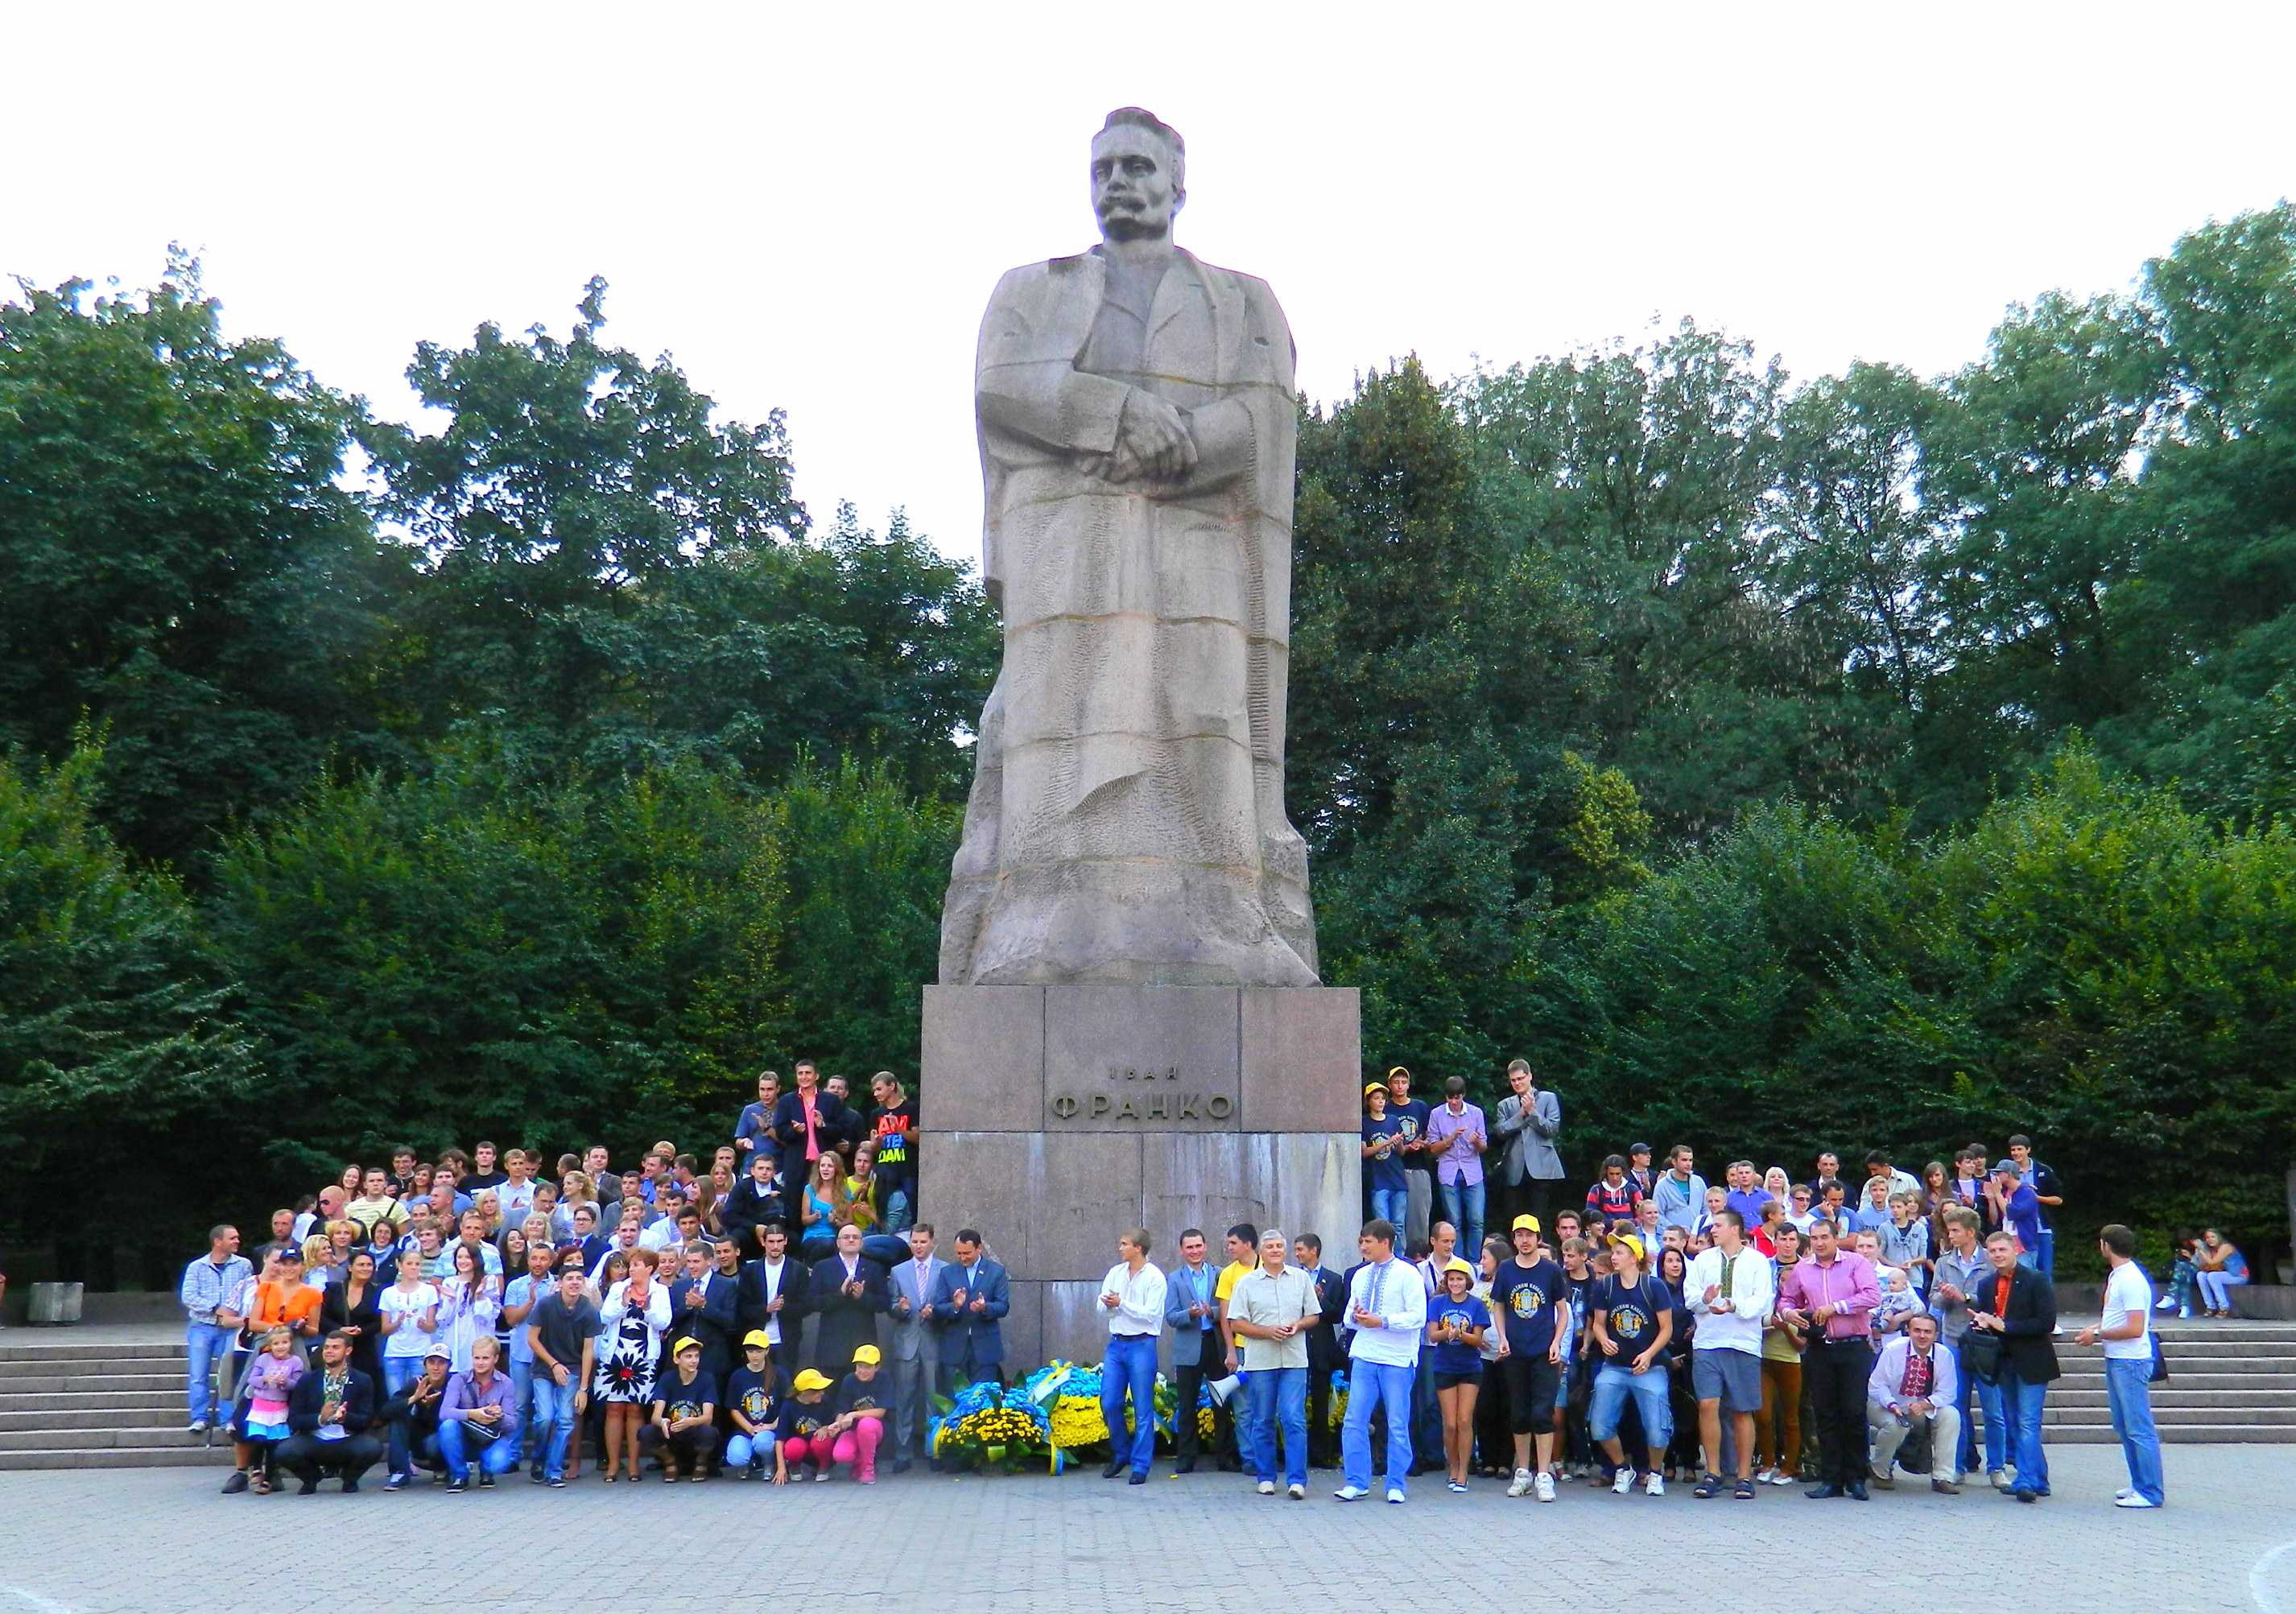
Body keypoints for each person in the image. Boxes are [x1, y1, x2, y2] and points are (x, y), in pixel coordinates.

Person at [1777, 1218, 1880, 1500]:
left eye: (1825, 1237)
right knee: (1825, 1413)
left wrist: (1836, 1307)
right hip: (1820, 1348)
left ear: (1836, 1238)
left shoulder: (1855, 1263)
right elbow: (1786, 1299)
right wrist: (1789, 1313)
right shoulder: (1803, 1268)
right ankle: (1831, 1478)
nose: (1819, 1243)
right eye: (1814, 1238)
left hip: (1853, 1346)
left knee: (1853, 1412)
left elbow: (1872, 1296)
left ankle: (1856, 1478)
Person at [1685, 1207, 1774, 1500]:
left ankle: (1743, 1476)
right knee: (1707, 1405)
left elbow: (1763, 1301)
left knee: (1742, 1410)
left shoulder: (1757, 1260)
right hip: (1708, 1342)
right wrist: (1705, 1299)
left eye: (1718, 1225)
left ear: (1735, 1229)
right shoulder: (1702, 1260)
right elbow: (1690, 1297)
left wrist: (1735, 1306)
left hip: (1743, 1343)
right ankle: (1713, 1472)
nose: (1713, 1230)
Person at [1336, 1219, 1423, 1504]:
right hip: (1364, 1354)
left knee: (1397, 1422)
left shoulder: (1408, 1274)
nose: (1363, 1247)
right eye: (1361, 1241)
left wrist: (1382, 1321)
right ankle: (1356, 1481)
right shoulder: (1360, 1275)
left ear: (1385, 1242)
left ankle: (1396, 1483)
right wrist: (1358, 1317)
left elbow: (1418, 1317)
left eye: (1368, 1242)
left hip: (1397, 1359)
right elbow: (1348, 1316)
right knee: (1354, 1420)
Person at [1969, 1228, 2060, 1502]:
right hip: (2004, 1361)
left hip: (2033, 1361)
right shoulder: (1986, 1285)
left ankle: (2026, 1480)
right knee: (2015, 1421)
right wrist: (1983, 1324)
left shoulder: (2036, 1280)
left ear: (2015, 1251)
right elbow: (1992, 1322)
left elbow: (2046, 1322)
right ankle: (2039, 1479)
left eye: (2002, 1250)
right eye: (1993, 1251)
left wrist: (2006, 1326)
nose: (1998, 1255)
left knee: (2028, 1422)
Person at [2081, 1223, 2166, 1509]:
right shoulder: (2119, 1275)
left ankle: (2150, 1491)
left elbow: (2135, 1328)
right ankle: (2139, 1483)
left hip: (2130, 1361)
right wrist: (2098, 1328)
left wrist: (2097, 1333)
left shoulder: (2130, 1279)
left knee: (2138, 1426)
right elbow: (2119, 1319)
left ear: (2106, 1246)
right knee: (2124, 1424)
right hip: (2118, 1358)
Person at [1229, 1228, 1319, 1499]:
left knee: (1294, 1418)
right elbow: (1236, 1323)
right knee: (1262, 1420)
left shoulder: (1301, 1279)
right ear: (1261, 1251)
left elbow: (1314, 1315)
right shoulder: (1247, 1283)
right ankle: (1266, 1477)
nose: (1276, 1251)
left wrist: (1298, 1325)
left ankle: (1297, 1481)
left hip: (1294, 1359)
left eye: (1280, 1246)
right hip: (1261, 1361)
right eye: (1270, 1247)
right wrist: (1267, 1332)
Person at [1585, 1233, 1673, 1497]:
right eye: (1614, 1252)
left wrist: (1649, 1354)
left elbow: (1666, 1329)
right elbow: (1598, 1323)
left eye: (1620, 1252)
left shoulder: (1654, 1286)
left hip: (1650, 1367)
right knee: (1599, 1425)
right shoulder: (1605, 1286)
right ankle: (1622, 1468)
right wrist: (1603, 1340)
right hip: (1614, 1366)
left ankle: (1655, 1472)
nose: (1613, 1257)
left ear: (1635, 1258)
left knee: (1657, 1429)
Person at [1489, 1214, 1567, 1501]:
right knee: (1519, 1413)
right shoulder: (1506, 1269)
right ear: (1514, 1239)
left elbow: (1562, 1310)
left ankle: (1544, 1474)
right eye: (1519, 1235)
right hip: (1515, 1351)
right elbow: (1499, 1305)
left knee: (1542, 1413)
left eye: (1529, 1235)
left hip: (1543, 1351)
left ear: (1538, 1238)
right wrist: (1502, 1337)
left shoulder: (1550, 1270)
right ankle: (1523, 1472)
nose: (1524, 1240)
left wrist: (1557, 1342)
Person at [1096, 1228, 1167, 1485]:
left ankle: (1141, 1464)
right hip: (1116, 1344)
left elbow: (1151, 1314)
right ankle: (1121, 1452)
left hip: (1142, 1344)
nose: (1120, 1248)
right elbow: (1100, 1306)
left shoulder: (1155, 1277)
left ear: (1138, 1248)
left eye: (1124, 1244)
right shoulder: (1115, 1273)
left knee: (1143, 1407)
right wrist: (1110, 1306)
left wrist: (1121, 1304)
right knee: (1109, 1402)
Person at [594, 1246, 672, 1482]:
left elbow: (664, 1322)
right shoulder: (618, 1288)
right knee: (614, 1408)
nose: (631, 1269)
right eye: (631, 1265)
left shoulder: (660, 1291)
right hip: (615, 1355)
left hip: (642, 1357)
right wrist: (623, 1303)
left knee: (636, 1409)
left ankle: (633, 1464)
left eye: (636, 1265)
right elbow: (604, 1316)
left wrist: (647, 1309)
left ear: (649, 1268)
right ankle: (613, 1464)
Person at [276, 1330, 383, 1492]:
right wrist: (321, 1418)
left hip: (347, 1439)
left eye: (335, 1347)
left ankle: (350, 1478)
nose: (329, 1351)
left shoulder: (362, 1380)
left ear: (348, 1351)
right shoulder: (308, 1380)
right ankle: (311, 1478)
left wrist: (345, 1418)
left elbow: (365, 1420)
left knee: (373, 1447)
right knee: (284, 1451)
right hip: (314, 1439)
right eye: (326, 1347)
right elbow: (294, 1420)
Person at [1866, 1312, 1962, 1493]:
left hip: (1921, 1408)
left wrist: (1926, 1404)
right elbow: (1876, 1385)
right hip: (1885, 1405)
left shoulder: (1944, 1355)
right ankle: (1879, 1471)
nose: (1922, 1336)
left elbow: (1948, 1392)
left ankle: (1943, 1477)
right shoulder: (1893, 1349)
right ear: (1908, 1331)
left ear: (1936, 1335)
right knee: (1895, 1425)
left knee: (1951, 1415)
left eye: (1928, 1332)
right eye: (1917, 1330)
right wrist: (1892, 1405)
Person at [523, 1258, 598, 1488]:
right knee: (545, 1417)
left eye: (579, 1279)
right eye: (570, 1279)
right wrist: (553, 1364)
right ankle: (538, 1459)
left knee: (565, 1420)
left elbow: (588, 1350)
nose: (574, 1283)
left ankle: (553, 1471)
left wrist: (583, 1388)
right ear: (560, 1283)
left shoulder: (589, 1310)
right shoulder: (546, 1305)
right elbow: (532, 1339)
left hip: (573, 1370)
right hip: (544, 1368)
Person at [1423, 1256, 1489, 1493]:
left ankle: (1463, 1472)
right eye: (1451, 1279)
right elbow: (1433, 1335)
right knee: (1450, 1423)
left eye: (1460, 1279)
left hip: (1470, 1367)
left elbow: (1479, 1340)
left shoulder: (1477, 1305)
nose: (1455, 1283)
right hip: (1444, 1366)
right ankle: (1453, 1466)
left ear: (1467, 1281)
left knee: (1464, 1420)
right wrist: (1447, 1333)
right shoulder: (1437, 1303)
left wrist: (1461, 1334)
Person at [1163, 1228, 1224, 1474]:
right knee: (1187, 1405)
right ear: (1182, 1250)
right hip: (1188, 1347)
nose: (1195, 1251)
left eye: (1198, 1246)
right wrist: (1190, 1314)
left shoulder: (1219, 1274)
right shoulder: (1174, 1279)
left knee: (1222, 1402)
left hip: (1216, 1344)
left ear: (1205, 1247)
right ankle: (1186, 1457)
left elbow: (1230, 1309)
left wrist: (1212, 1312)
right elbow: (1170, 1317)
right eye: (1189, 1247)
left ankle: (1225, 1456)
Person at [180, 1224, 251, 1434]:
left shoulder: (243, 1265)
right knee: (198, 1374)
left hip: (231, 1328)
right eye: (232, 1238)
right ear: (218, 1242)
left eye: (237, 1237)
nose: (237, 1241)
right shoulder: (197, 1267)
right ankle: (199, 1417)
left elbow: (247, 1293)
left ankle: (228, 1418)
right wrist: (214, 1308)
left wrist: (235, 1315)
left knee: (228, 1373)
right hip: (202, 1326)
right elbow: (189, 1296)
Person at [886, 1221, 945, 1473]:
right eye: (914, 1242)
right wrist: (901, 1308)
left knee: (934, 1399)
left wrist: (936, 1311)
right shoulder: (898, 1271)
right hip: (907, 1341)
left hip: (933, 1340)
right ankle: (902, 1453)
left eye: (923, 1242)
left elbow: (948, 1305)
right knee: (904, 1399)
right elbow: (891, 1306)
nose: (918, 1246)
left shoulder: (945, 1270)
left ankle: (934, 1450)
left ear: (932, 1243)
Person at [225, 1325, 305, 1495]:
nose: (281, 1347)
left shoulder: (295, 1362)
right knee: (257, 1438)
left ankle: (269, 1478)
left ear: (290, 1343)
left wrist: (286, 1383)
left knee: (273, 1443)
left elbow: (298, 1384)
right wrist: (264, 1380)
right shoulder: (263, 1359)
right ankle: (255, 1469)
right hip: (260, 1407)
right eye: (276, 1343)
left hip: (279, 1408)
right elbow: (252, 1379)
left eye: (284, 1342)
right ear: (270, 1345)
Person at [1755, 1222, 1805, 1485]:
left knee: (1791, 1416)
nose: (1787, 1244)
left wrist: (1784, 1328)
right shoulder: (1764, 1270)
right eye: (1782, 1239)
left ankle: (1790, 1466)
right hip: (1763, 1357)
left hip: (1791, 1360)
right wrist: (1771, 1327)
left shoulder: (1805, 1273)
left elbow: (1802, 1343)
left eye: (1792, 1239)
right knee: (1763, 1414)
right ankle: (1767, 1461)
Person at [437, 1334, 520, 1492]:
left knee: (499, 1464)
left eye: (485, 1358)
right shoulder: (458, 1379)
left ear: (495, 1359)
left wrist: (500, 1415)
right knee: (447, 1426)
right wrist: (472, 1414)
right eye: (477, 1358)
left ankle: (486, 1470)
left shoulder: (506, 1383)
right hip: (465, 1437)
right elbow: (444, 1413)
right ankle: (460, 1475)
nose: (480, 1362)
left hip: (491, 1437)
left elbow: (513, 1424)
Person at [930, 1228, 1010, 1390]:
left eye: (967, 1253)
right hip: (954, 1348)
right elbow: (938, 1308)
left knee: (983, 1398)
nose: (962, 1258)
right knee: (954, 1399)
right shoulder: (947, 1273)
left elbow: (1003, 1306)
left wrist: (985, 1307)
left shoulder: (996, 1272)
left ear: (979, 1249)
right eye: (959, 1253)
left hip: (985, 1348)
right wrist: (955, 1306)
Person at [772, 1059, 853, 1215]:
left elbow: (841, 1130)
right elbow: (780, 1132)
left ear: (816, 1076)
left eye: (808, 1073)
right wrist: (794, 1131)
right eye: (800, 1073)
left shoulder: (831, 1100)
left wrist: (823, 1126)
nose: (804, 1077)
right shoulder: (787, 1101)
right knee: (794, 1208)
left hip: (824, 1164)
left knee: (825, 1207)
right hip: (797, 1163)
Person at [1295, 1234, 1348, 1470]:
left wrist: (1321, 1299)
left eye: (1301, 1249)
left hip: (1321, 1349)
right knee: (1294, 1403)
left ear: (1314, 1250)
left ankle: (1321, 1454)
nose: (1297, 1254)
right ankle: (1295, 1454)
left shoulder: (1334, 1279)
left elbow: (1338, 1316)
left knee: (1320, 1403)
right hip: (1296, 1345)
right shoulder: (1292, 1276)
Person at [638, 1336, 720, 1482]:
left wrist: (690, 1422)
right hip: (673, 1432)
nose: (694, 1360)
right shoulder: (667, 1378)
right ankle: (670, 1463)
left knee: (709, 1432)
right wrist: (663, 1422)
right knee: (646, 1432)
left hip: (695, 1431)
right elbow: (655, 1416)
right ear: (676, 1359)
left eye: (696, 1356)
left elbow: (708, 1418)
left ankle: (701, 1464)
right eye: (688, 1356)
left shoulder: (707, 1379)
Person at [1424, 1077, 1489, 1262]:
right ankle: (1457, 1262)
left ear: (1463, 1095)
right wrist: (1451, 1138)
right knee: (1454, 1222)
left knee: (1476, 1220)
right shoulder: (1437, 1114)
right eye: (1450, 1098)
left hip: (1472, 1172)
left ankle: (1474, 1262)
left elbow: (1483, 1147)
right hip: (1448, 1171)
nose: (1453, 1101)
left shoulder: (1476, 1113)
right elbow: (1433, 1148)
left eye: (1457, 1097)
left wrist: (1477, 1142)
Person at [808, 1223, 887, 1373]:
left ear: (862, 1243)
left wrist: (863, 1296)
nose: (851, 1240)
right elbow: (812, 1303)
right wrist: (840, 1294)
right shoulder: (822, 1267)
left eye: (855, 1237)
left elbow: (884, 1304)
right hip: (832, 1347)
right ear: (838, 1243)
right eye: (846, 1237)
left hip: (863, 1347)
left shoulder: (875, 1268)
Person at [378, 1345, 452, 1489]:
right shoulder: (416, 1383)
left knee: (449, 1428)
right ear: (425, 1366)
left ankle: (447, 1468)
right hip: (419, 1444)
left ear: (449, 1366)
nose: (436, 1367)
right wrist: (413, 1399)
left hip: (442, 1441)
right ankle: (399, 1472)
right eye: (431, 1362)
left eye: (441, 1363)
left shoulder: (455, 1384)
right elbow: (385, 1412)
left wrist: (431, 1407)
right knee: (399, 1415)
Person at [1383, 1067, 1435, 1248]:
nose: (1400, 1086)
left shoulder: (1420, 1107)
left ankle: (1419, 1254)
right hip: (1392, 1169)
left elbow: (1432, 1135)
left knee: (1420, 1216)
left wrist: (1423, 1143)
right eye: (1396, 1082)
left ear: (1409, 1084)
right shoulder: (1386, 1108)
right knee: (1396, 1220)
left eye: (1403, 1082)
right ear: (1389, 1085)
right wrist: (1405, 1147)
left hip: (1418, 1167)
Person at [865, 1071, 919, 1235]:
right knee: (883, 1208)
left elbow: (918, 1138)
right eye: (874, 1090)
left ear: (892, 1086)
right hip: (884, 1170)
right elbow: (874, 1149)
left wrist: (898, 1129)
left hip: (906, 1169)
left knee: (910, 1209)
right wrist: (876, 1143)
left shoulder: (910, 1108)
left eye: (879, 1089)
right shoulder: (876, 1114)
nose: (876, 1094)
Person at [434, 1241, 501, 1373]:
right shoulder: (449, 1282)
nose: (463, 1261)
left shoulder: (488, 1281)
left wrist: (480, 1297)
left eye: (467, 1257)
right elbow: (442, 1320)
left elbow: (491, 1316)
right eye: (459, 1257)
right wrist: (452, 1300)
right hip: (454, 1339)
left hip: (477, 1337)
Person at [320, 1249, 384, 1385]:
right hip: (337, 1347)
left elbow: (380, 1322)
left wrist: (362, 1330)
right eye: (361, 1265)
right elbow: (321, 1318)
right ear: (350, 1268)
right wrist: (339, 1329)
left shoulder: (378, 1291)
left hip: (365, 1350)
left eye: (369, 1265)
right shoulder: (334, 1289)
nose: (365, 1268)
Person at [724, 1330, 782, 1479]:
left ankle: (769, 1463)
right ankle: (747, 1464)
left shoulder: (779, 1374)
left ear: (767, 1350)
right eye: (750, 1351)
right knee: (736, 1457)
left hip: (769, 1430)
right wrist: (750, 1428)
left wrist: (771, 1426)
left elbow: (787, 1407)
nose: (754, 1355)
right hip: (745, 1429)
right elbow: (734, 1408)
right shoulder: (738, 1376)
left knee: (763, 1443)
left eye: (759, 1351)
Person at [2007, 1134, 2063, 1279]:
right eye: (2013, 1150)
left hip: (2042, 1228)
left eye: (2019, 1149)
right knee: (2022, 1272)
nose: (2016, 1153)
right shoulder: (2008, 1173)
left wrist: (2036, 1198)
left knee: (2045, 1271)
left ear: (2028, 1150)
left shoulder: (2043, 1170)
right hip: (2018, 1231)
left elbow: (2058, 1199)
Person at [772, 1368, 835, 1484]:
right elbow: (779, 1438)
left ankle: (823, 1467)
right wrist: (781, 1468)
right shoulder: (789, 1405)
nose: (822, 1393)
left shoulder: (825, 1402)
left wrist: (825, 1428)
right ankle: (794, 1466)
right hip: (799, 1445)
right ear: (805, 1392)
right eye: (818, 1390)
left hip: (817, 1445)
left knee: (822, 1441)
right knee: (793, 1447)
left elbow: (832, 1424)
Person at [1361, 1082, 1409, 1229]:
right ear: (1368, 1101)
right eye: (1376, 1098)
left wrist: (1398, 1142)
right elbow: (1364, 1152)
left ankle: (1399, 1246)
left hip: (1398, 1178)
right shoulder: (1364, 1122)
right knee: (1382, 1225)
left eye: (1383, 1098)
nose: (1381, 1101)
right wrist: (1387, 1142)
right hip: (1378, 1181)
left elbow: (1402, 1152)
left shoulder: (1393, 1120)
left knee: (1399, 1225)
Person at [1652, 1145, 1707, 1237]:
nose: (1688, 1164)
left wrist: (1702, 1229)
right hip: (1673, 1238)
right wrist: (1676, 1230)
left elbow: (1706, 1208)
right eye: (1684, 1160)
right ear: (1674, 1161)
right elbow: (1657, 1214)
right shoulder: (1662, 1186)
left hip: (1697, 1237)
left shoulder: (1699, 1182)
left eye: (1690, 1160)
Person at [2195, 1228, 2250, 1318]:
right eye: (2207, 1237)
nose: (2210, 1239)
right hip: (2228, 1274)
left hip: (2239, 1276)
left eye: (2213, 1237)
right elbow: (2206, 1266)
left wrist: (2201, 1250)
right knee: (2201, 1275)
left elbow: (2212, 1262)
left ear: (2219, 1237)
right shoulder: (2212, 1249)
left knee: (2212, 1276)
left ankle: (2224, 1307)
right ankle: (2210, 1306)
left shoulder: (2226, 1247)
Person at [734, 1069, 781, 1164]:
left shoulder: (785, 1109)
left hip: (778, 1166)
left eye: (770, 1089)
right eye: (762, 1089)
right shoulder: (749, 1110)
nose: (765, 1094)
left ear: (778, 1089)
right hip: (752, 1166)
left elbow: (790, 1143)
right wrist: (744, 1142)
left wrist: (767, 1129)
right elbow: (738, 1142)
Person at [1584, 1154, 1641, 1231]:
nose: (1615, 1178)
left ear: (1623, 1172)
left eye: (1618, 1174)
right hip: (1604, 1234)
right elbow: (1590, 1216)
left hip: (1629, 1233)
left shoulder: (1633, 1189)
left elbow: (1642, 1216)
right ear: (1606, 1172)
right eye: (1611, 1174)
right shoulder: (1596, 1190)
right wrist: (1611, 1223)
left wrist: (1628, 1224)